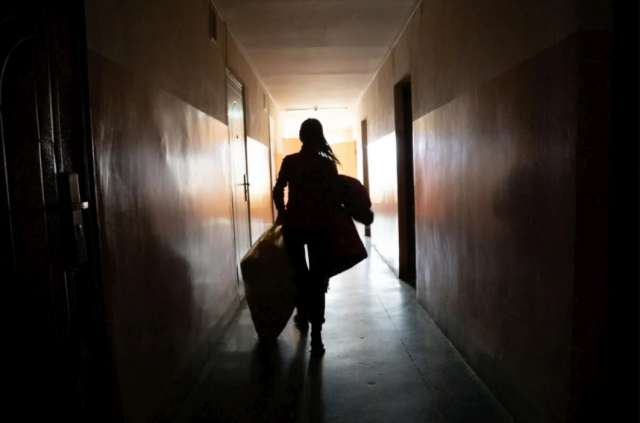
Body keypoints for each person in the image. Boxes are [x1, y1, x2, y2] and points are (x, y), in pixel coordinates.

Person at [273, 118, 341, 355]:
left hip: (294, 227)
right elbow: (335, 198)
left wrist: (281, 213)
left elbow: (278, 189)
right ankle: (317, 337)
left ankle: (302, 317)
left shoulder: (290, 161)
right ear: (319, 136)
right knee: (318, 279)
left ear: (301, 137)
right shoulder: (326, 165)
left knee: (300, 276)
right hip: (320, 227)